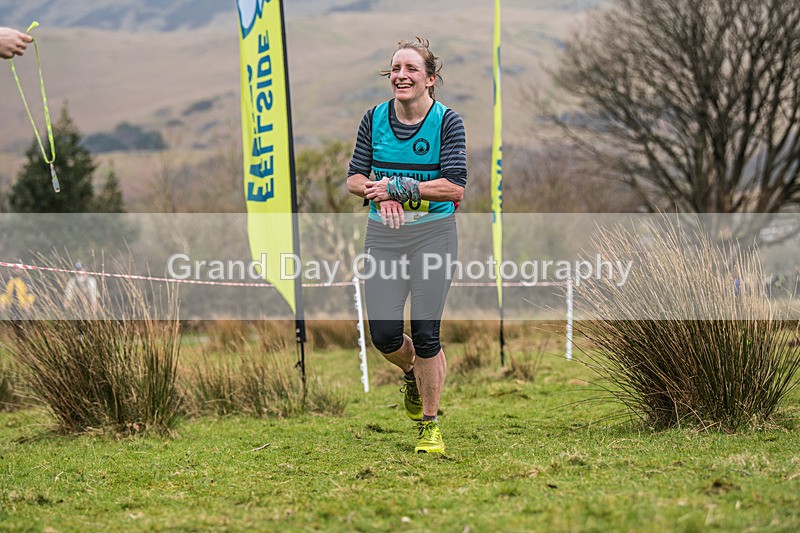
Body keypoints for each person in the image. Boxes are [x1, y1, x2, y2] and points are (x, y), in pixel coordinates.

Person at [346, 37, 467, 454]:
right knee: (383, 335)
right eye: (396, 68)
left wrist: (402, 185)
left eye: (412, 69)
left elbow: (454, 187)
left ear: (430, 79)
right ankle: (414, 371)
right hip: (384, 236)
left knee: (427, 333)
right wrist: (380, 191)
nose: (401, 75)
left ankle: (429, 426)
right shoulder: (374, 118)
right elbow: (354, 179)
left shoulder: (447, 122)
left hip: (433, 235)